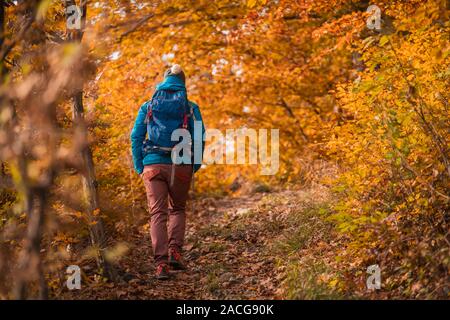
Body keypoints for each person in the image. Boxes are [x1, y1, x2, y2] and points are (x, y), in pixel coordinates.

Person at [130, 64, 205, 280]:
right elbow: (199, 137)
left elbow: (136, 137)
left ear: (164, 82)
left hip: (153, 165)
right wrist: (194, 165)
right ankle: (175, 251)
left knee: (157, 214)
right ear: (183, 83)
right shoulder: (191, 108)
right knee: (177, 209)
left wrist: (139, 165)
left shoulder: (148, 106)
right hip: (181, 164)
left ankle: (161, 264)